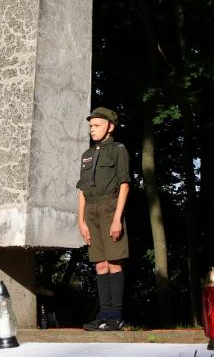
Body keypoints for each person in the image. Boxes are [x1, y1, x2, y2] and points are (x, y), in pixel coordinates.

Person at [76, 107, 130, 331]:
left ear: (110, 127)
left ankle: (115, 315)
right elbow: (81, 190)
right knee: (99, 264)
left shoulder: (118, 150)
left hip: (110, 207)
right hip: (91, 210)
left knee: (114, 262)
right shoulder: (87, 155)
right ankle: (104, 313)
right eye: (90, 126)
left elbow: (124, 184)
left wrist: (117, 218)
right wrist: (81, 221)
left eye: (97, 126)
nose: (92, 130)